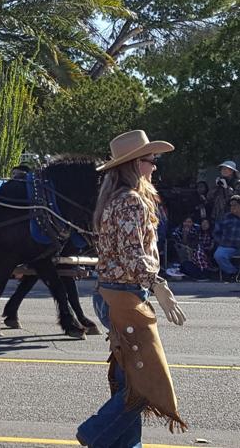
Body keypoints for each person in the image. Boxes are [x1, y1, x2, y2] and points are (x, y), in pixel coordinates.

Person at [77, 130, 187, 447]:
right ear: (136, 164)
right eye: (151, 160)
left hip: (115, 293)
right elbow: (131, 254)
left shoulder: (116, 199)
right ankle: (95, 432)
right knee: (144, 384)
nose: (155, 166)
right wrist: (159, 284)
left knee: (130, 378)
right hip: (124, 295)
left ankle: (127, 445)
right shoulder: (131, 201)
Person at [212, 195, 240, 280]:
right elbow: (216, 233)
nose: (232, 207)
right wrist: (222, 242)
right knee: (219, 255)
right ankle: (234, 273)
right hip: (228, 246)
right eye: (231, 205)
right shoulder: (225, 217)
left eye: (235, 205)